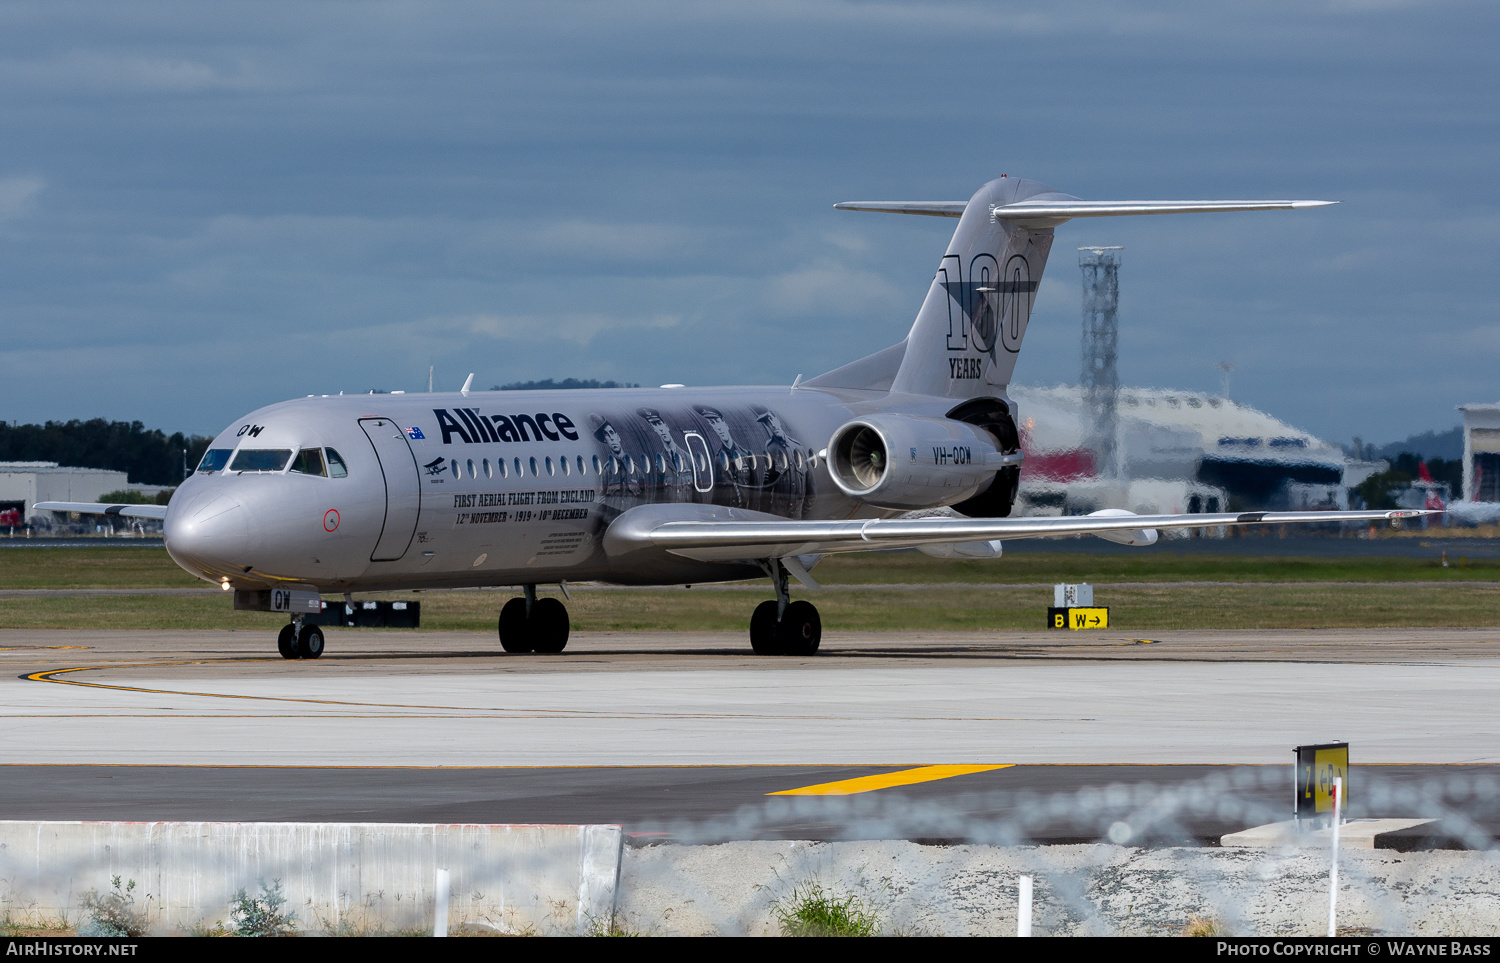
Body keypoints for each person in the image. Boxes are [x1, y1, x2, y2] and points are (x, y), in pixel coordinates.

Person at [636, 407, 692, 503]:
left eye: (659, 423)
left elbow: (699, 494)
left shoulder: (688, 458)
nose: (660, 429)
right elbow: (657, 496)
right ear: (654, 430)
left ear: (665, 425)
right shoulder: (659, 463)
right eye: (655, 426)